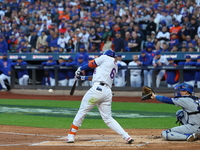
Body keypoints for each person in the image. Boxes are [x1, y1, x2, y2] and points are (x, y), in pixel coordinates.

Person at [66, 50, 134, 144]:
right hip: (107, 93)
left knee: (82, 111)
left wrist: (80, 68)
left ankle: (70, 136)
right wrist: (81, 77)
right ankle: (126, 136)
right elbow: (96, 77)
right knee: (108, 119)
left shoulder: (105, 58)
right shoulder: (115, 65)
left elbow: (91, 64)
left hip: (96, 91)